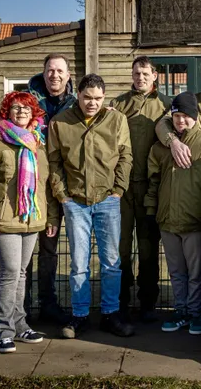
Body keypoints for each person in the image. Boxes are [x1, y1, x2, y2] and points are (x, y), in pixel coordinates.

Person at [0, 53, 76, 325]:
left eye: (60, 71)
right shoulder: (30, 99)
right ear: (43, 73)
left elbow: (96, 110)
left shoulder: (74, 103)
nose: (54, 75)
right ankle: (18, 309)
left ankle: (48, 303)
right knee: (20, 260)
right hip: (24, 189)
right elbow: (6, 123)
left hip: (56, 186)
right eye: (50, 70)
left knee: (49, 249)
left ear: (68, 76)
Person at [48, 74, 134, 339]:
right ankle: (80, 315)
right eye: (87, 98)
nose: (93, 103)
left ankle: (110, 314)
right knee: (78, 263)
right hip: (76, 202)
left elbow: (125, 156)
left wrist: (118, 190)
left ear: (104, 97)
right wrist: (63, 196)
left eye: (98, 98)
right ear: (79, 96)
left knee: (111, 262)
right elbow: (54, 162)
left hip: (108, 200)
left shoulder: (116, 119)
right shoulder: (60, 123)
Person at [0, 91, 60, 353]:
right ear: (7, 112)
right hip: (5, 220)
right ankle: (2, 329)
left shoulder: (38, 143)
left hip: (32, 219)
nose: (21, 112)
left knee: (22, 273)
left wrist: (51, 217)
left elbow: (46, 185)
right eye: (16, 107)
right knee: (10, 273)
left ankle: (20, 324)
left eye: (26, 108)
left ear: (34, 113)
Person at [145, 92, 201, 335]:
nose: (181, 121)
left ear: (196, 117)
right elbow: (153, 181)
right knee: (177, 271)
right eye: (177, 116)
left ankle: (196, 312)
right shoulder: (161, 148)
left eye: (186, 117)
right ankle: (180, 311)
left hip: (195, 222)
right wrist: (152, 210)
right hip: (168, 220)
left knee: (196, 272)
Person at [110, 56, 170, 322]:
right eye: (136, 73)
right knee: (120, 247)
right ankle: (120, 299)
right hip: (122, 188)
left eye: (145, 73)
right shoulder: (117, 104)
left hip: (150, 187)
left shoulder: (166, 105)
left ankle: (148, 301)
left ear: (154, 75)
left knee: (148, 248)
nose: (141, 77)